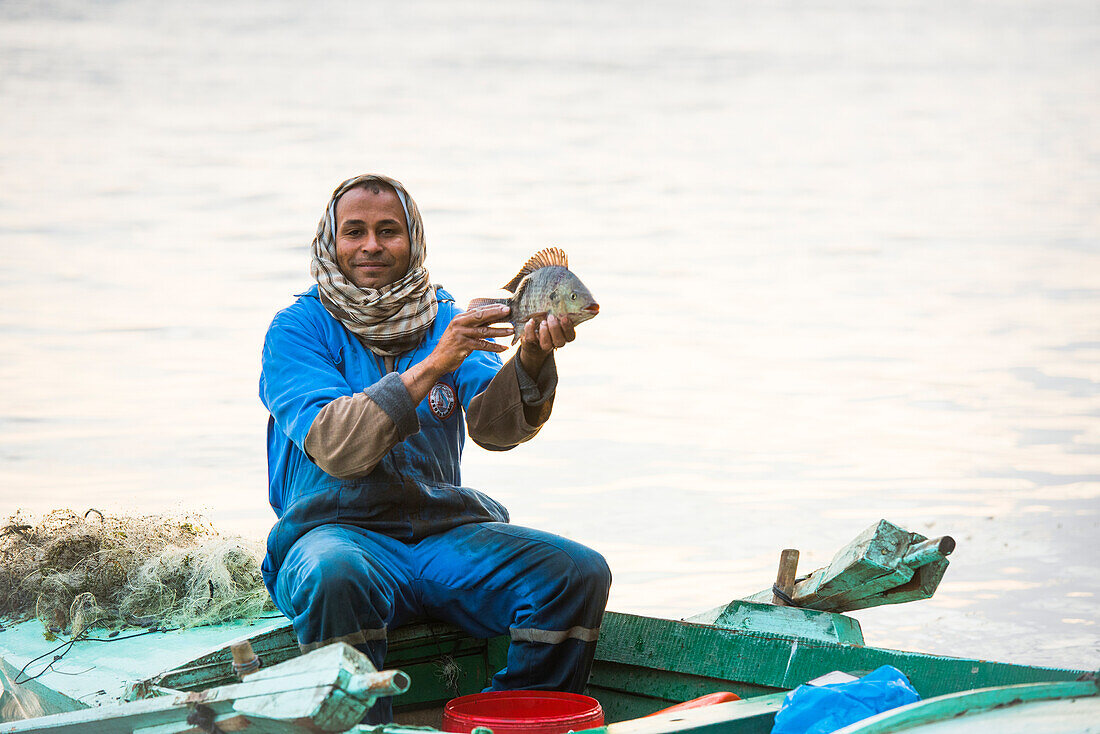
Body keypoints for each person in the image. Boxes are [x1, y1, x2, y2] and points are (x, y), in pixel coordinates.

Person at [259, 173, 612, 723]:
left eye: (388, 231)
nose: (371, 245)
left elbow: (496, 431)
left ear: (414, 241)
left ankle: (504, 720)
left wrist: (534, 359)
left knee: (576, 573)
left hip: (442, 538)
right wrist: (434, 364)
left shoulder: (446, 319)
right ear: (331, 242)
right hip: (334, 536)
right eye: (354, 231)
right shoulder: (296, 330)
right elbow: (337, 446)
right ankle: (364, 727)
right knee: (335, 576)